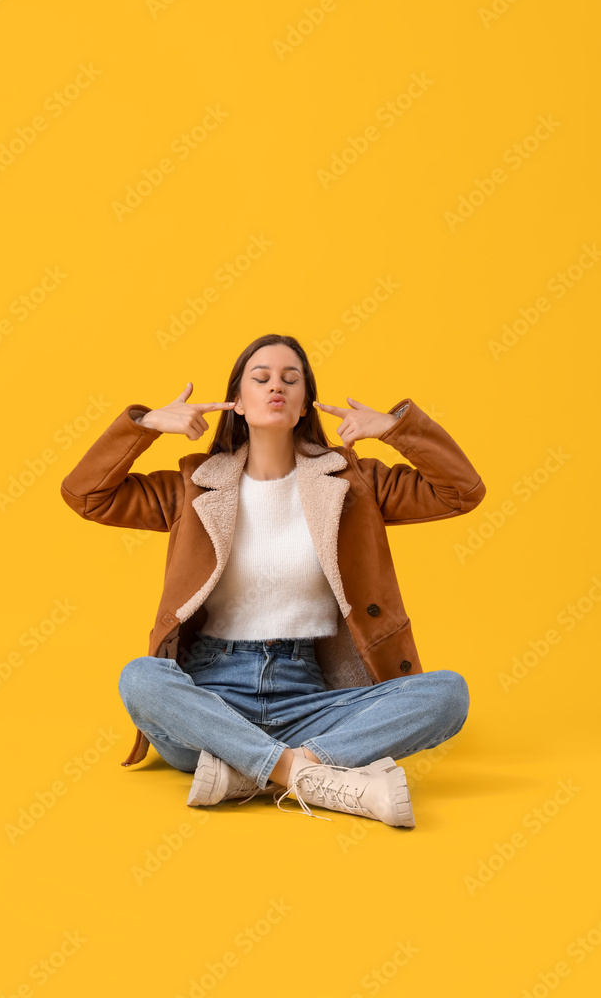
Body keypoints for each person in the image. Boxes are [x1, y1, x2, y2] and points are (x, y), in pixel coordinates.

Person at [60, 334, 486, 825]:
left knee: (448, 693)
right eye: (260, 378)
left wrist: (396, 429)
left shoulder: (355, 481)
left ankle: (248, 773)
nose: (276, 386)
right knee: (141, 678)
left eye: (291, 378)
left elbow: (461, 492)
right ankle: (310, 776)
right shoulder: (193, 482)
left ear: (305, 402)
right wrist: (146, 426)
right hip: (210, 702)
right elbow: (86, 495)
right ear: (237, 402)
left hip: (308, 700)